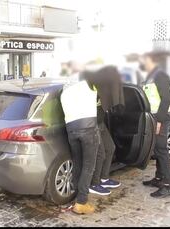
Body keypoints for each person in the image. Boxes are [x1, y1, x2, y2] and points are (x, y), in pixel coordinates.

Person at [60, 63, 99, 215]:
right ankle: (81, 202)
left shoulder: (65, 88)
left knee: (78, 164)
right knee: (89, 166)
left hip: (71, 130)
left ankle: (76, 197)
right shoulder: (88, 81)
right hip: (88, 127)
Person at [139, 51, 170, 198]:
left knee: (161, 149)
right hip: (153, 116)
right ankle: (159, 178)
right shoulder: (150, 76)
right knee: (157, 149)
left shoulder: (161, 75)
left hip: (162, 116)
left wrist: (159, 121)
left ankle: (168, 185)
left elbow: (165, 100)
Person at [85, 66, 125, 196]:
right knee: (100, 153)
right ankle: (93, 183)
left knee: (110, 147)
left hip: (100, 122)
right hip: (91, 124)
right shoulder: (88, 86)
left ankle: (104, 178)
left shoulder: (103, 86)